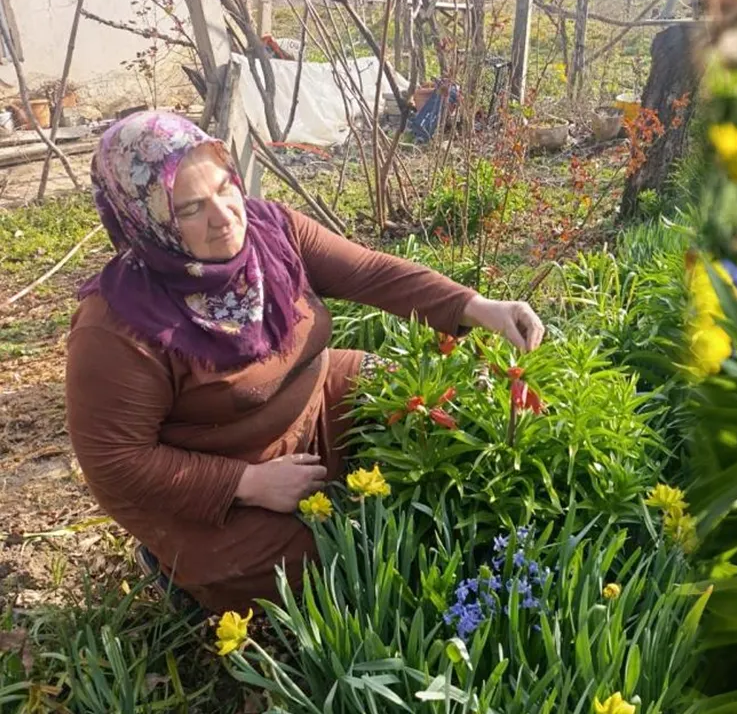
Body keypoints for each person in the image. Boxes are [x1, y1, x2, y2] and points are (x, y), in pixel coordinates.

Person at [63, 111, 545, 613]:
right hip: (211, 474)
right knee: (322, 570)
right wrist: (247, 484)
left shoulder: (273, 232)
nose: (225, 215)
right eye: (190, 208)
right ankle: (176, 570)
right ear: (148, 218)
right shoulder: (118, 325)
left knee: (424, 414)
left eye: (226, 187)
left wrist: (479, 308)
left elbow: (371, 273)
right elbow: (117, 463)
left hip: (315, 402)